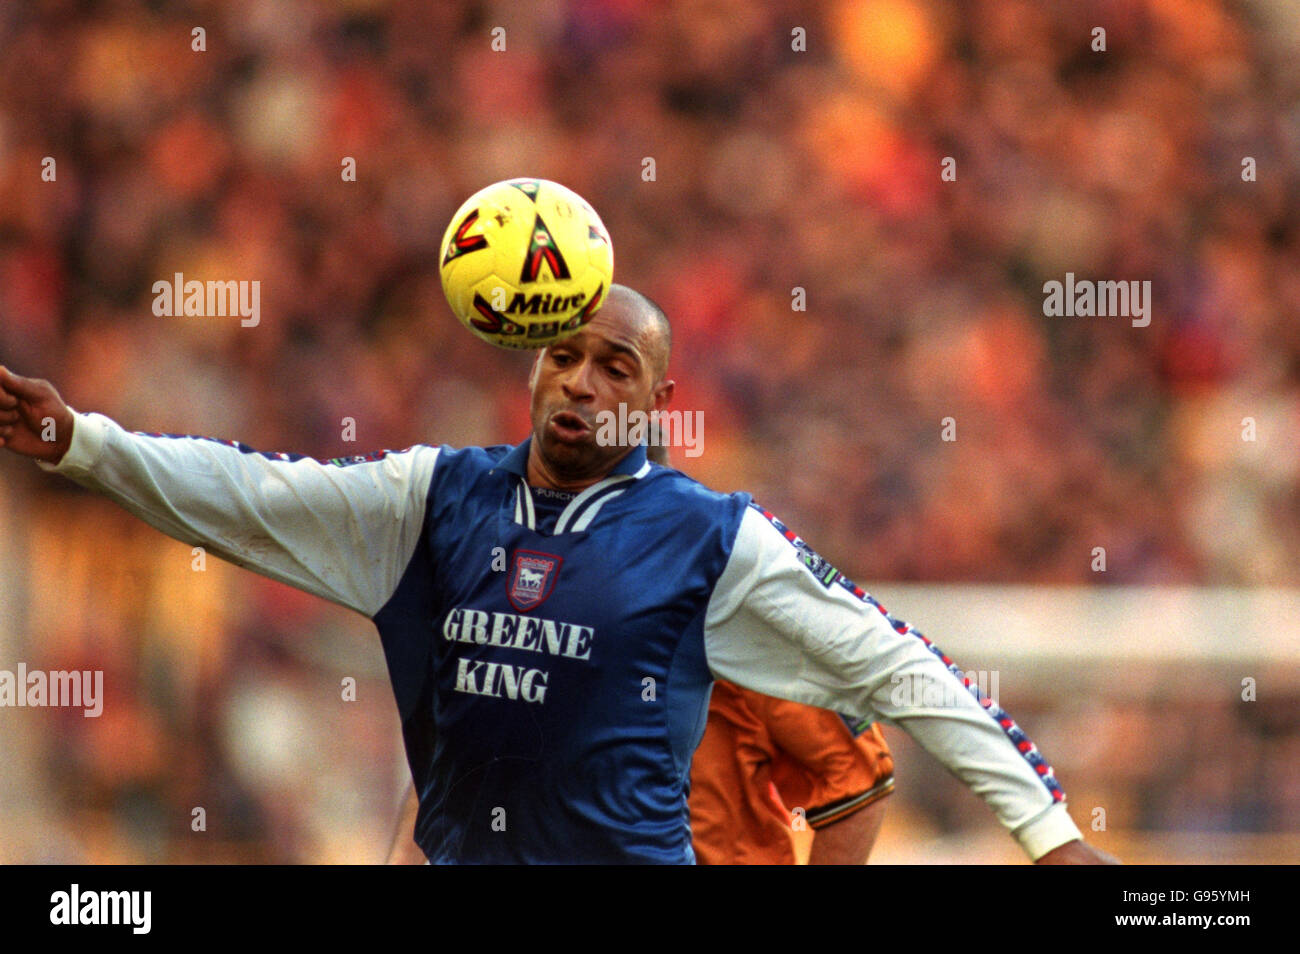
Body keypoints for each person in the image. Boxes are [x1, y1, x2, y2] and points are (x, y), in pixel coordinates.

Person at [0, 283, 1114, 864]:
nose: (581, 381)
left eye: (615, 366)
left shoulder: (712, 541)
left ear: (656, 398)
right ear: (532, 367)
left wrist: (1047, 833)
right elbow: (249, 493)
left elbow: (903, 673)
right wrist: (85, 444)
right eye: (563, 356)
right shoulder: (431, 500)